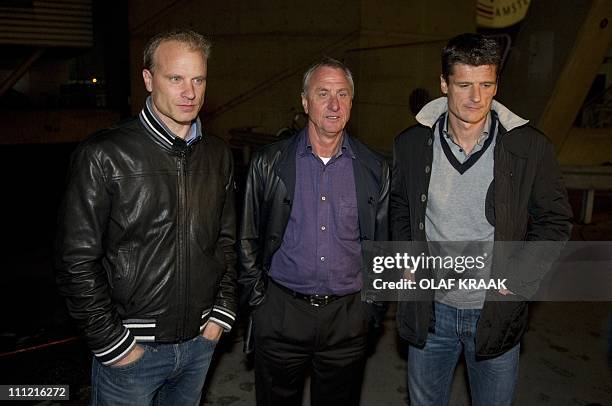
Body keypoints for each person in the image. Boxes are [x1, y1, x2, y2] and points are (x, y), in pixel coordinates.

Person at [55, 30, 237, 406]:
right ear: (148, 79)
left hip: (200, 344)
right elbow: (75, 261)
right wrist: (113, 343)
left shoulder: (218, 155)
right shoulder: (103, 154)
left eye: (198, 79)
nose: (190, 91)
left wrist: (220, 315)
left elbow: (227, 241)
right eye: (176, 78)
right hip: (131, 350)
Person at [391, 33, 572, 406]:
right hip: (431, 311)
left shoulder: (528, 147)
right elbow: (399, 205)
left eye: (486, 84)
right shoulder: (411, 144)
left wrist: (521, 277)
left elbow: (554, 221)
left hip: (495, 312)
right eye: (464, 85)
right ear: (444, 84)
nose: (476, 97)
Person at [238, 57, 389, 406]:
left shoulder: (375, 168)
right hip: (281, 314)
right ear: (305, 102)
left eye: (342, 94)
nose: (334, 104)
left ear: (352, 101)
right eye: (323, 93)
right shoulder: (268, 163)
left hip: (348, 321)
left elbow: (381, 245)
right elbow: (247, 237)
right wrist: (259, 302)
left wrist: (373, 309)